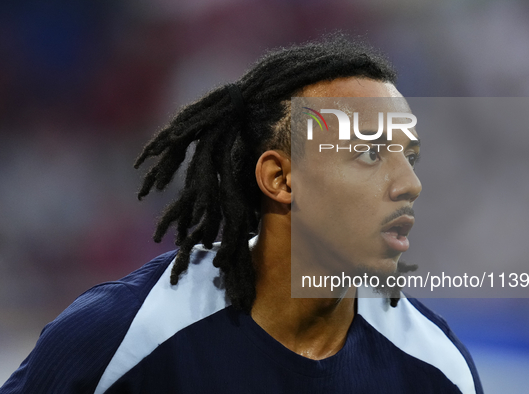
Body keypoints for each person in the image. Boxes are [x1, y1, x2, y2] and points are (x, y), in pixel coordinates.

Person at [0, 35, 483, 394]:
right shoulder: (122, 336)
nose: (410, 185)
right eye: (371, 156)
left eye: (409, 158)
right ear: (280, 179)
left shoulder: (435, 368)